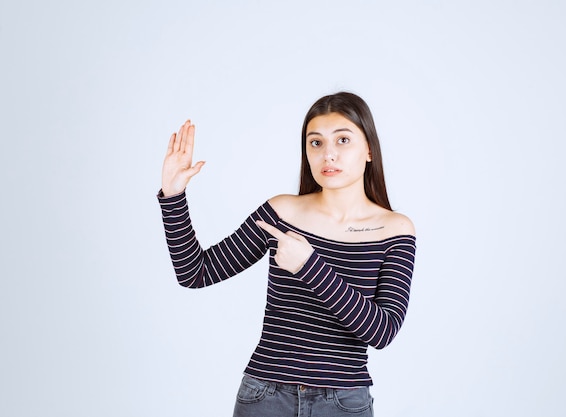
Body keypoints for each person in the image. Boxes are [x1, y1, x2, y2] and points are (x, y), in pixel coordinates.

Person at [158, 92, 416, 417]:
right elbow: (195, 272)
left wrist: (309, 266)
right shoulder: (281, 212)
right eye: (316, 143)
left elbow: (381, 331)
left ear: (368, 149)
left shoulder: (395, 229)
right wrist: (173, 195)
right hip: (265, 396)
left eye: (343, 140)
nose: (328, 155)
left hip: (343, 403)